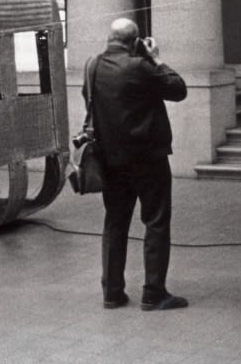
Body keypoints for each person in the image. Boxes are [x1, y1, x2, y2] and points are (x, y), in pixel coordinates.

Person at [84, 18, 189, 311]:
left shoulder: (92, 66)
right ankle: (154, 292)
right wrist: (156, 59)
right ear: (135, 41)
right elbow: (179, 89)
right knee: (155, 222)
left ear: (110, 39)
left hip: (110, 159)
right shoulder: (140, 68)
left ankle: (112, 293)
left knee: (115, 222)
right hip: (148, 160)